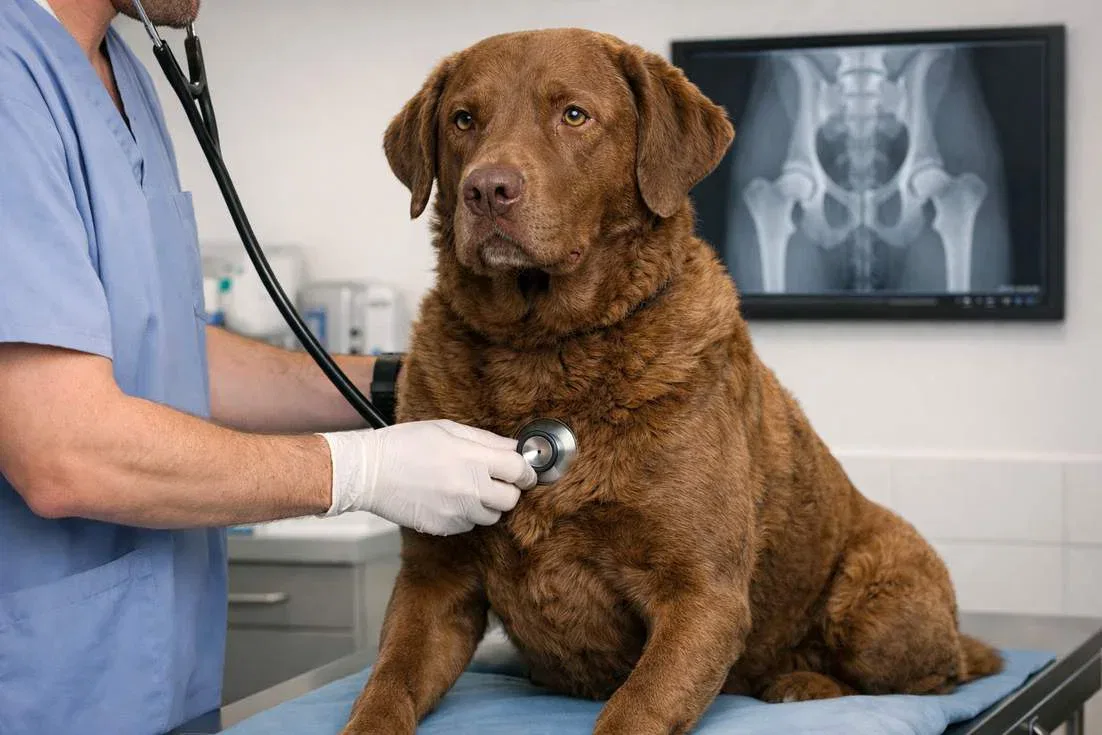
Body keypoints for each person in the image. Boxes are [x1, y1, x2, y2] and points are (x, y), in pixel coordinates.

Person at [0, 1, 537, 733]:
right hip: (36, 682)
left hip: (159, 673)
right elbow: (61, 449)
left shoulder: (123, 68)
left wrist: (402, 383)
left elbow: (163, 352)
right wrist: (361, 471)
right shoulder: (10, 79)